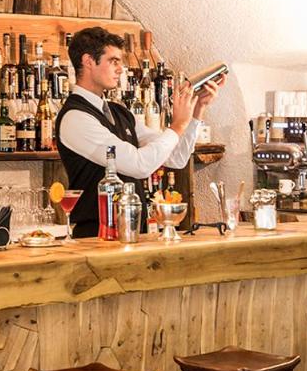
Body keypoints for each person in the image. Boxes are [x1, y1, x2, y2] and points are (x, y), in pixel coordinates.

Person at [56, 27, 223, 237]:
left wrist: (197, 110)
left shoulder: (119, 112)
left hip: (134, 232)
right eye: (113, 61)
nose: (121, 69)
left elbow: (177, 157)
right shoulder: (75, 118)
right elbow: (139, 165)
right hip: (97, 237)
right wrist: (177, 125)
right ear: (88, 61)